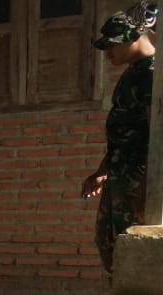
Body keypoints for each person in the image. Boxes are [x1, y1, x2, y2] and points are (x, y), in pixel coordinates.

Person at [82, 4, 156, 274]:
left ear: (135, 37)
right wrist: (102, 172)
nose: (108, 52)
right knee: (109, 244)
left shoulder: (152, 76)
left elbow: (156, 134)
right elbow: (127, 134)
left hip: (139, 179)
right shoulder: (135, 72)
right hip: (120, 175)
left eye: (112, 45)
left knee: (133, 249)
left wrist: (149, 190)